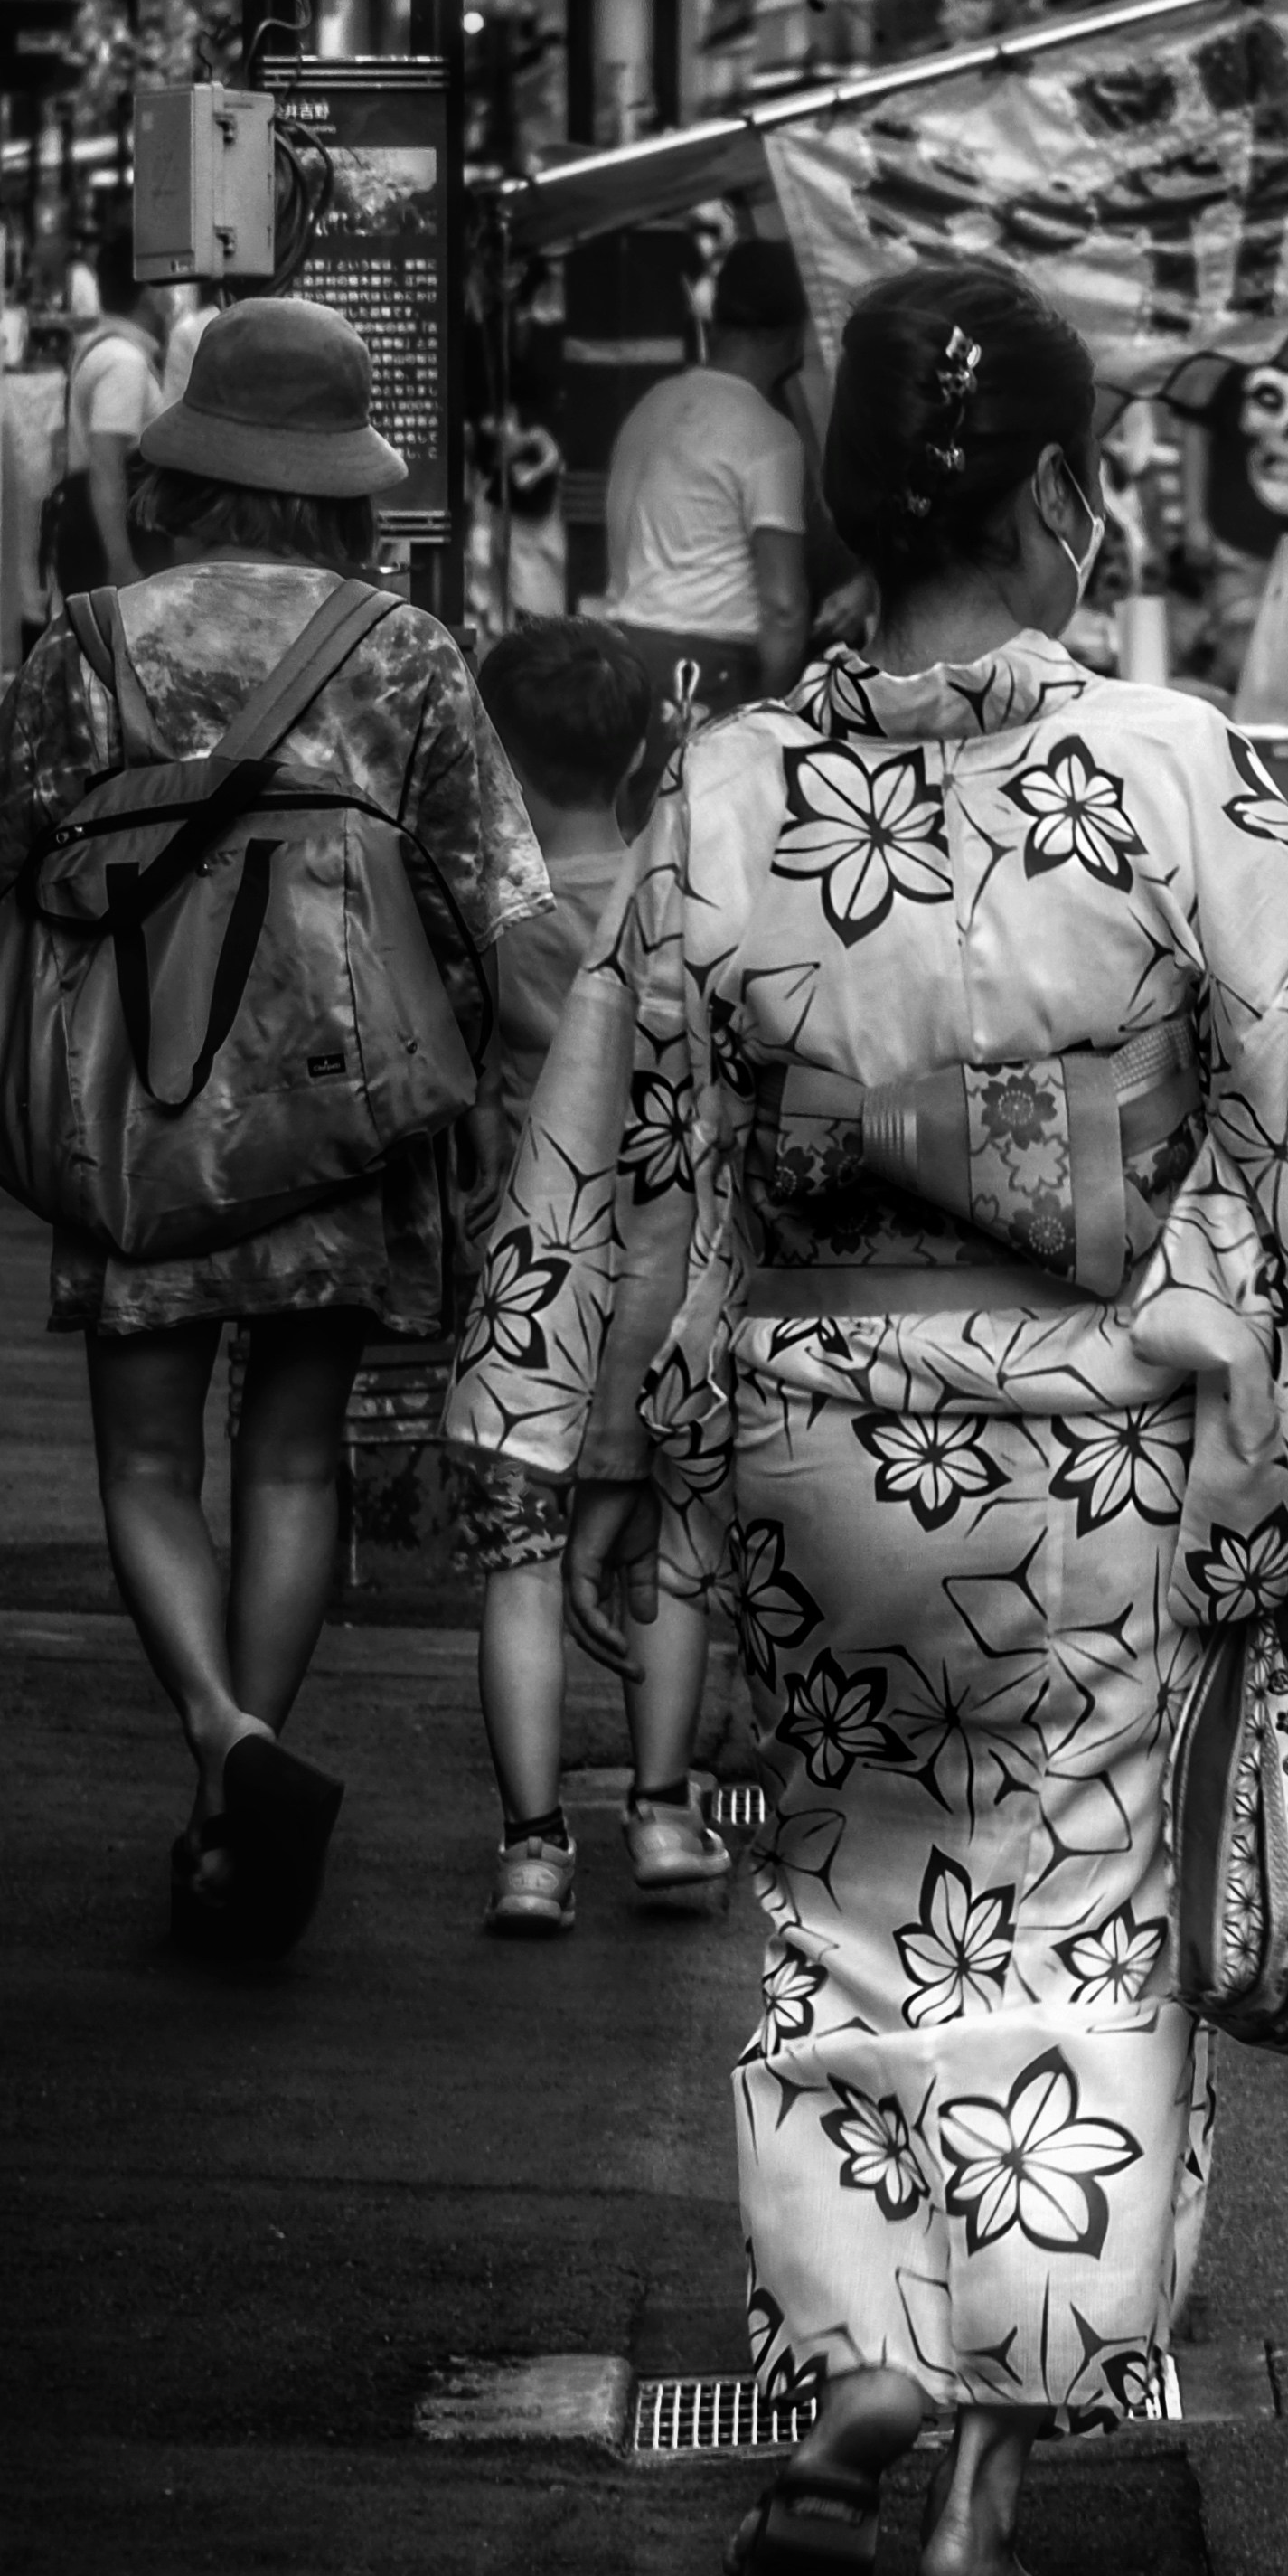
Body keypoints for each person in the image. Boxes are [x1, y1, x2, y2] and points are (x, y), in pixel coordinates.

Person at [447, 260, 1288, 2576]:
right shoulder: (1184, 778)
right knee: (1079, 1942)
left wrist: (549, 1427)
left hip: (810, 1445)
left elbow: (627, 1131)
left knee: (854, 1905)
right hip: (1086, 1465)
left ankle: (883, 2391)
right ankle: (973, 2428)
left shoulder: (734, 791)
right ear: (1070, 497)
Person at [0, 300, 548, 1953]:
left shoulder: (100, 640)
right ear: (344, 479)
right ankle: (236, 1788)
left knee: (144, 1459)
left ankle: (226, 1743)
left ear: (199, 454)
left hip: (141, 1112)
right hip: (342, 1122)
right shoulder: (404, 648)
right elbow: (495, 900)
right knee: (292, 1458)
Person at [456, 619, 723, 1939]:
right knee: (670, 1547)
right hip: (666, 1276)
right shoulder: (676, 902)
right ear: (638, 749)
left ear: (495, 750)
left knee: (519, 1560)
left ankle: (529, 1845)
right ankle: (665, 1809)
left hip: (527, 1275)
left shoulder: (486, 910)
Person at [603, 241, 813, 727]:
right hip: (704, 669)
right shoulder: (768, 432)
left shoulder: (653, 403)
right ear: (792, 331)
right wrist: (767, 717)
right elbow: (784, 609)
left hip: (621, 654)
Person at [47, 235, 158, 597]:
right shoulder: (122, 361)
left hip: (90, 524)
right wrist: (121, 562)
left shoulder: (99, 348)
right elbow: (107, 467)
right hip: (109, 538)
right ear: (149, 294)